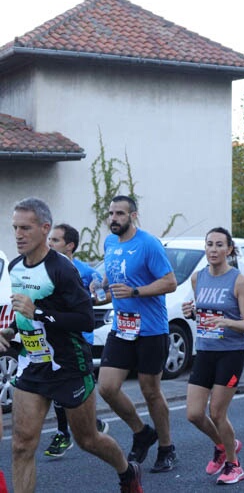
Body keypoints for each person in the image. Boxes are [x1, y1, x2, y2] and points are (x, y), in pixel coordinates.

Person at [4, 197, 142, 492]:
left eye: (25, 228)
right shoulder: (15, 267)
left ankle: (127, 471)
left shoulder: (62, 270)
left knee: (87, 439)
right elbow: (25, 314)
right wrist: (10, 331)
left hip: (69, 365)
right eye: (15, 227)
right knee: (21, 446)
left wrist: (38, 312)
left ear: (45, 228)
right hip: (33, 364)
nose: (18, 234)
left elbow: (83, 319)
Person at [95, 195, 179, 472]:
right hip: (122, 327)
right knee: (106, 387)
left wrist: (135, 291)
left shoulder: (148, 244)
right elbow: (112, 277)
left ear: (133, 216)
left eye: (120, 213)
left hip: (151, 329)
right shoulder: (109, 243)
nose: (114, 219)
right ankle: (142, 432)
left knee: (150, 391)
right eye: (111, 213)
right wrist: (101, 291)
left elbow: (170, 282)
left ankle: (166, 447)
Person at [182, 227, 244, 485]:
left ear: (229, 250)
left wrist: (227, 322)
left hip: (231, 353)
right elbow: (201, 313)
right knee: (193, 414)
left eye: (219, 245)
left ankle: (234, 465)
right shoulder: (197, 278)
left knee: (217, 412)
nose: (213, 249)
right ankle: (223, 444)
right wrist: (190, 311)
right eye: (209, 244)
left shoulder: (238, 281)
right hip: (205, 350)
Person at [43, 223, 110, 458]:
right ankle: (67, 431)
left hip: (80, 338)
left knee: (79, 386)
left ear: (69, 246)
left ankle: (87, 423)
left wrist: (93, 294)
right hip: (53, 339)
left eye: (55, 241)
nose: (49, 244)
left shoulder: (87, 272)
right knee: (57, 385)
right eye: (49, 240)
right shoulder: (43, 270)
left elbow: (99, 299)